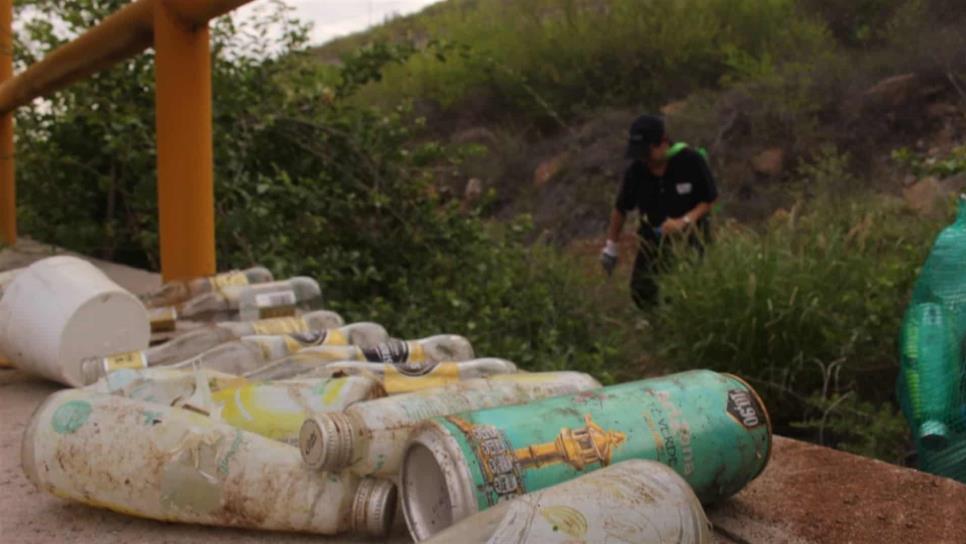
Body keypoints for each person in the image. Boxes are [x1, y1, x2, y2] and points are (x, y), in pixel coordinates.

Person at [600, 114, 718, 308]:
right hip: (653, 241)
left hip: (691, 239)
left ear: (663, 142)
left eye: (648, 153)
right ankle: (659, 325)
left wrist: (684, 221)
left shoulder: (691, 161)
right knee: (641, 291)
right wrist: (611, 246)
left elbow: (709, 199)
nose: (644, 159)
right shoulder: (636, 170)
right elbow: (621, 208)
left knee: (689, 291)